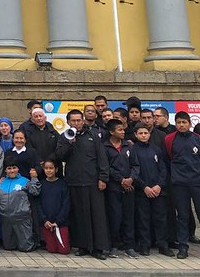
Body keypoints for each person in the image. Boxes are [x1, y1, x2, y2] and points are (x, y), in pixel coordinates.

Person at [164, 110, 200, 261]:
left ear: (190, 124)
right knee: (182, 217)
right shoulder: (170, 139)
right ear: (175, 124)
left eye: (184, 122)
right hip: (179, 184)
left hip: (198, 183)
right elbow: (167, 159)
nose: (181, 125)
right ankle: (183, 248)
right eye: (178, 122)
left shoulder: (199, 140)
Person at [56, 108, 109, 260]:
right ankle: (83, 246)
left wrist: (103, 178)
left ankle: (98, 248)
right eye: (73, 121)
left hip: (93, 182)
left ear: (83, 120)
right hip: (74, 182)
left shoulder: (93, 136)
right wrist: (70, 143)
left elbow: (102, 158)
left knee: (97, 216)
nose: (77, 123)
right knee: (79, 216)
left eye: (79, 120)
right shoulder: (64, 137)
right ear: (68, 122)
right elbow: (60, 156)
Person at [132, 124, 170, 257]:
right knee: (143, 219)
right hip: (142, 191)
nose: (143, 135)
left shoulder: (156, 149)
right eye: (140, 133)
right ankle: (145, 245)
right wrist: (144, 187)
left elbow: (163, 169)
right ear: (136, 135)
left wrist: (159, 185)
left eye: (146, 133)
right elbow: (133, 172)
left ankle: (162, 245)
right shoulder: (133, 150)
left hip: (157, 190)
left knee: (160, 218)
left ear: (149, 134)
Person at [103, 118, 139, 257]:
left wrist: (130, 179)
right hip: (114, 188)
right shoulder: (105, 147)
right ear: (112, 132)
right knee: (115, 217)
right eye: (119, 129)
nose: (123, 131)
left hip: (129, 188)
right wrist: (121, 180)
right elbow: (107, 167)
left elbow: (136, 165)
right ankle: (114, 245)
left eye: (123, 129)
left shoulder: (129, 146)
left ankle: (129, 246)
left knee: (129, 217)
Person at [0, 160, 38, 252]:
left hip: (21, 218)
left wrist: (34, 178)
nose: (12, 171)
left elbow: (35, 191)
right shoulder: (2, 182)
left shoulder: (25, 181)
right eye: (9, 168)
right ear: (5, 170)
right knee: (8, 247)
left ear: (18, 169)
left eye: (14, 168)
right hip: (6, 219)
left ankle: (34, 238)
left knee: (26, 248)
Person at [32, 159, 70, 255]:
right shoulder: (41, 184)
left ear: (56, 169)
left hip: (60, 223)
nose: (49, 171)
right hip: (47, 223)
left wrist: (58, 221)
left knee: (63, 250)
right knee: (52, 249)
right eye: (46, 168)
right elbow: (38, 205)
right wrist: (44, 220)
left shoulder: (62, 184)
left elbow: (66, 205)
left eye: (51, 168)